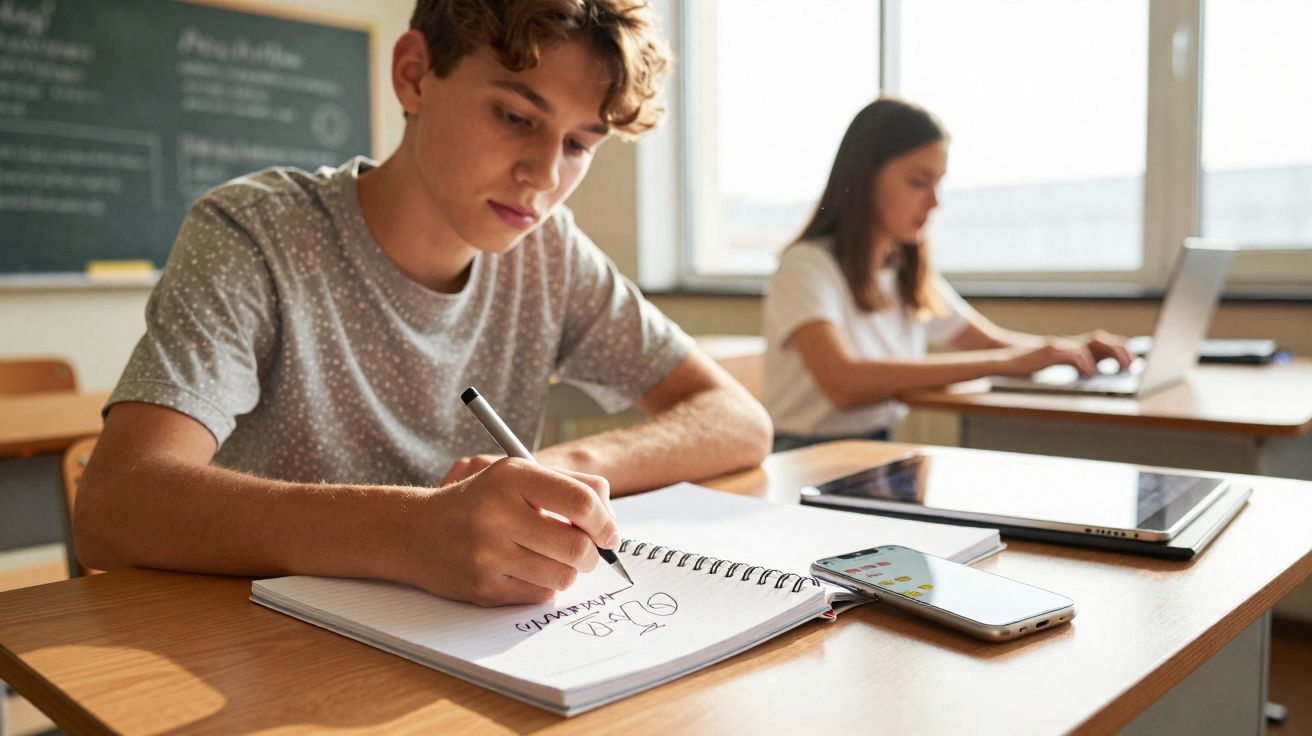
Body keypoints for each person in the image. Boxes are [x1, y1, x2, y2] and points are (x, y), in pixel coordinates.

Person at [75, 0, 771, 607]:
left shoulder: (549, 251)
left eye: (580, 145)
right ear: (414, 75)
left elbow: (737, 420)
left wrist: (557, 473)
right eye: (514, 116)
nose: (544, 176)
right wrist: (415, 531)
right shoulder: (254, 234)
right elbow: (116, 505)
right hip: (263, 647)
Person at [763, 97, 1130, 452]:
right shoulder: (806, 266)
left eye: (938, 183)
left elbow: (989, 343)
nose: (934, 202)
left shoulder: (905, 271)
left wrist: (1070, 348)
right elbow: (844, 383)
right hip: (804, 454)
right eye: (919, 182)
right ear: (865, 178)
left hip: (875, 447)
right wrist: (1004, 364)